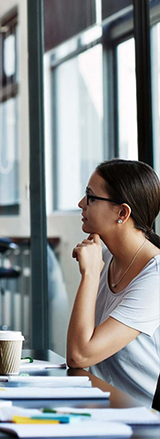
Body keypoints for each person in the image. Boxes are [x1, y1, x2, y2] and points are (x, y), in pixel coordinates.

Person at [67, 159, 160, 398]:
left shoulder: (155, 277)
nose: (81, 204)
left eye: (91, 197)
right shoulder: (105, 257)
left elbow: (79, 355)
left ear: (122, 212)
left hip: (146, 420)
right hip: (106, 408)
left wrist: (89, 274)